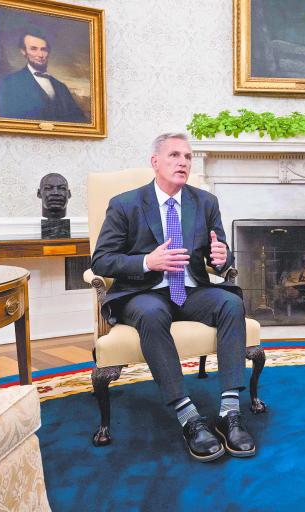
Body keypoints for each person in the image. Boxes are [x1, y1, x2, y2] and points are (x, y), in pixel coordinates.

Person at [91, 132, 255, 462]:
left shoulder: (204, 202)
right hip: (144, 292)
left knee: (231, 303)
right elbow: (101, 260)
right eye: (174, 155)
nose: (183, 162)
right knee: (151, 313)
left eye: (188, 157)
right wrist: (146, 261)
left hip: (191, 289)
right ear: (156, 162)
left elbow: (218, 254)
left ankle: (229, 411)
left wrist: (223, 258)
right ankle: (188, 417)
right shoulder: (126, 204)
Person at [0, 29, 87, 123]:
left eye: (43, 49)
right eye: (33, 49)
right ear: (23, 51)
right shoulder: (9, 83)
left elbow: (80, 121)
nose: (40, 55)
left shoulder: (61, 87)